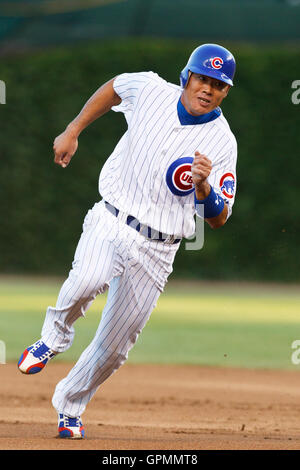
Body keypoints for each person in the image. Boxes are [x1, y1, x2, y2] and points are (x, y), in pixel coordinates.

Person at [18, 43, 237, 439]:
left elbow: (219, 218)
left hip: (159, 248)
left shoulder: (223, 142)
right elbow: (114, 87)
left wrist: (204, 185)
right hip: (113, 219)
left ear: (225, 92)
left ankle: (70, 405)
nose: (207, 89)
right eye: (202, 78)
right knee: (87, 280)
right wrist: (73, 129)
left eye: (218, 85)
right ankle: (52, 339)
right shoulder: (152, 89)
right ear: (187, 76)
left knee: (116, 347)